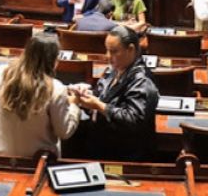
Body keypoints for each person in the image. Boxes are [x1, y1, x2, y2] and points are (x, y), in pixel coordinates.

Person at [0, 32, 80, 157]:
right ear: (53, 60)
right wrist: (74, 105)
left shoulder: (3, 72)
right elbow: (64, 132)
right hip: (35, 162)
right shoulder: (57, 88)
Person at [68, 26, 159, 161]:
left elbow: (133, 120)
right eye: (107, 50)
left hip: (125, 156)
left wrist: (99, 105)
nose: (108, 56)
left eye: (114, 51)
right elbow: (101, 96)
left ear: (131, 49)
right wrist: (85, 94)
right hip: (102, 147)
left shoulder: (142, 80)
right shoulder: (113, 70)